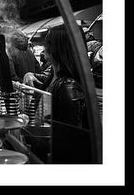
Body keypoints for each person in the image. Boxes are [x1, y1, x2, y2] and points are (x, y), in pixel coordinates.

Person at [23, 24, 92, 163]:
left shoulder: (68, 87)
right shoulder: (54, 75)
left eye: (48, 43)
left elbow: (69, 140)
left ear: (60, 48)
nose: (43, 47)